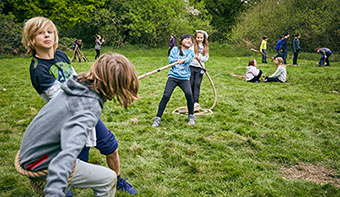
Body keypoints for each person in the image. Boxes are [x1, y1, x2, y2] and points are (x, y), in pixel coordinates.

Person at [21, 16, 138, 195]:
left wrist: (98, 82)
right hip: (67, 118)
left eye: (50, 32)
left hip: (85, 107)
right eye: (40, 33)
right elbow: (61, 98)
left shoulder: (60, 55)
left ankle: (118, 179)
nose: (47, 36)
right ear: (31, 39)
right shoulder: (38, 69)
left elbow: (75, 78)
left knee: (111, 146)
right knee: (70, 164)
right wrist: (94, 94)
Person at [152, 34, 195, 127]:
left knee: (189, 94)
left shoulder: (191, 52)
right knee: (166, 96)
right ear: (181, 41)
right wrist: (177, 59)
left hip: (184, 78)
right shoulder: (175, 49)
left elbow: (188, 59)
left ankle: (191, 116)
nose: (189, 41)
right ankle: (157, 118)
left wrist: (183, 60)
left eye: (191, 40)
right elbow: (170, 59)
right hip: (173, 77)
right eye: (187, 39)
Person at [190, 30, 209, 108]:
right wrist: (194, 57)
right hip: (191, 66)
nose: (199, 39)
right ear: (195, 37)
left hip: (200, 68)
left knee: (197, 84)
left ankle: (196, 101)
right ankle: (190, 100)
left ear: (204, 38)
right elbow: (190, 54)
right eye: (198, 37)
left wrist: (200, 58)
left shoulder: (205, 47)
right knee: (190, 84)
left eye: (201, 37)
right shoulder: (192, 45)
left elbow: (206, 58)